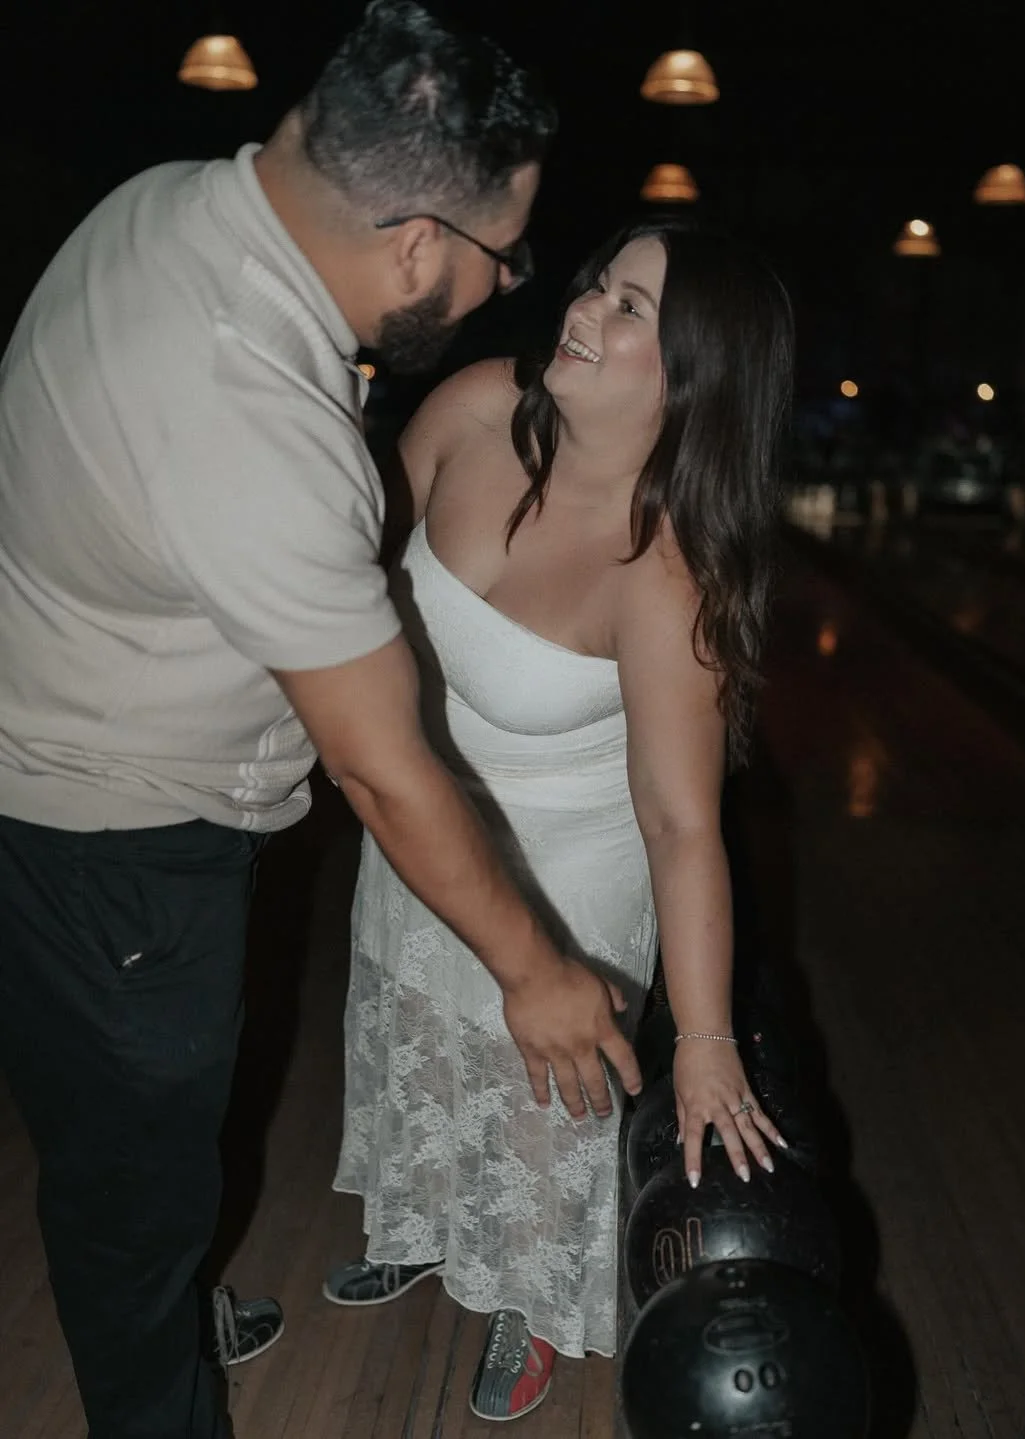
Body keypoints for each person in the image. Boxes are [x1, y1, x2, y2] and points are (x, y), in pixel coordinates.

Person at [0, 5, 644, 1437]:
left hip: (51, 767)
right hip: (120, 836)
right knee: (135, 1183)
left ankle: (157, 1285)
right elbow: (380, 761)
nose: (508, 288)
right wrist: (536, 966)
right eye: (508, 255)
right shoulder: (251, 408)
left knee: (120, 1152)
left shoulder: (167, 205)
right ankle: (148, 1341)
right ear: (417, 242)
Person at [324, 216, 795, 1421]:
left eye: (629, 308)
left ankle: (529, 1298)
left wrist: (703, 1040)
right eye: (598, 285)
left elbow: (683, 828)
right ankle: (420, 1220)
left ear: (691, 376)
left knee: (536, 1116)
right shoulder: (481, 405)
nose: (583, 310)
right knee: (409, 1028)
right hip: (425, 823)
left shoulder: (664, 573)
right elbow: (349, 553)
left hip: (566, 881)